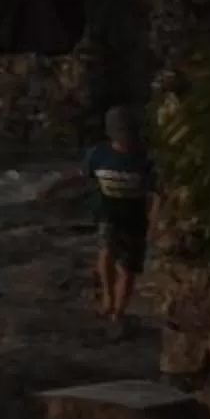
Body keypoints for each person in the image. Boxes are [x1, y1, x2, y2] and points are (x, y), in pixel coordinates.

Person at [84, 106, 155, 337]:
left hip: (134, 221)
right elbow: (83, 176)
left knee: (128, 268)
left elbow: (156, 193)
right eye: (120, 133)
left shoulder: (144, 159)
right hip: (108, 216)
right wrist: (54, 188)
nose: (125, 138)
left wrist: (154, 221)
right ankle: (107, 295)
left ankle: (118, 311)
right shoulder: (98, 155)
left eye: (128, 133)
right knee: (106, 252)